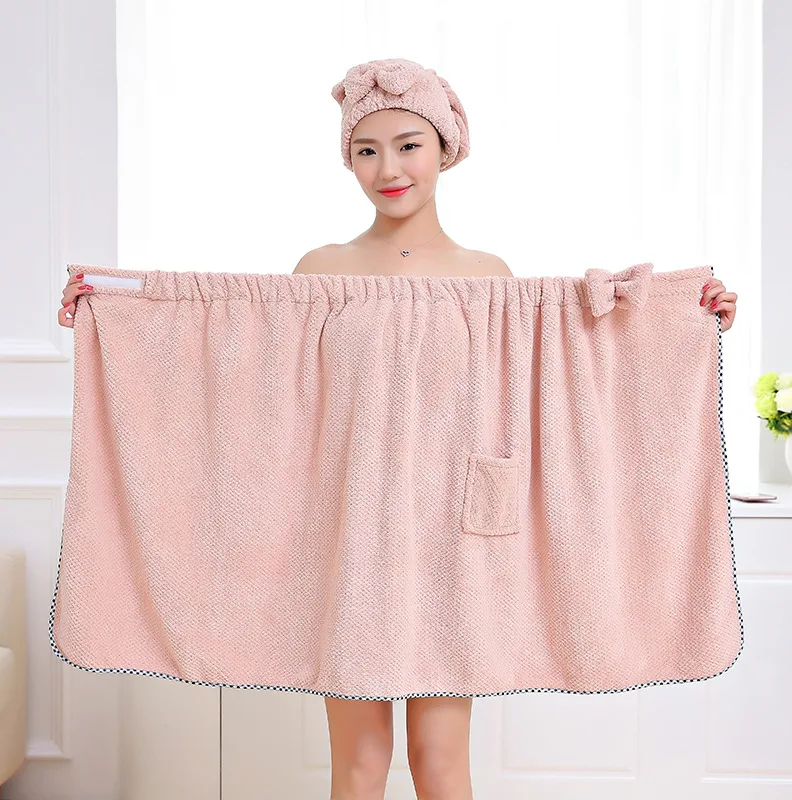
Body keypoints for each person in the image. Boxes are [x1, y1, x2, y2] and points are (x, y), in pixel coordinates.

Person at [57, 57, 738, 800]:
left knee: (441, 763)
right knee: (357, 764)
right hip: (350, 537)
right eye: (367, 150)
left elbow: (565, 357)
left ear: (445, 148)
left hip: (456, 541)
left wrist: (684, 313)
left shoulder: (489, 275)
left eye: (409, 145)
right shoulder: (320, 269)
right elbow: (240, 358)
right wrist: (113, 307)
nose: (389, 168)